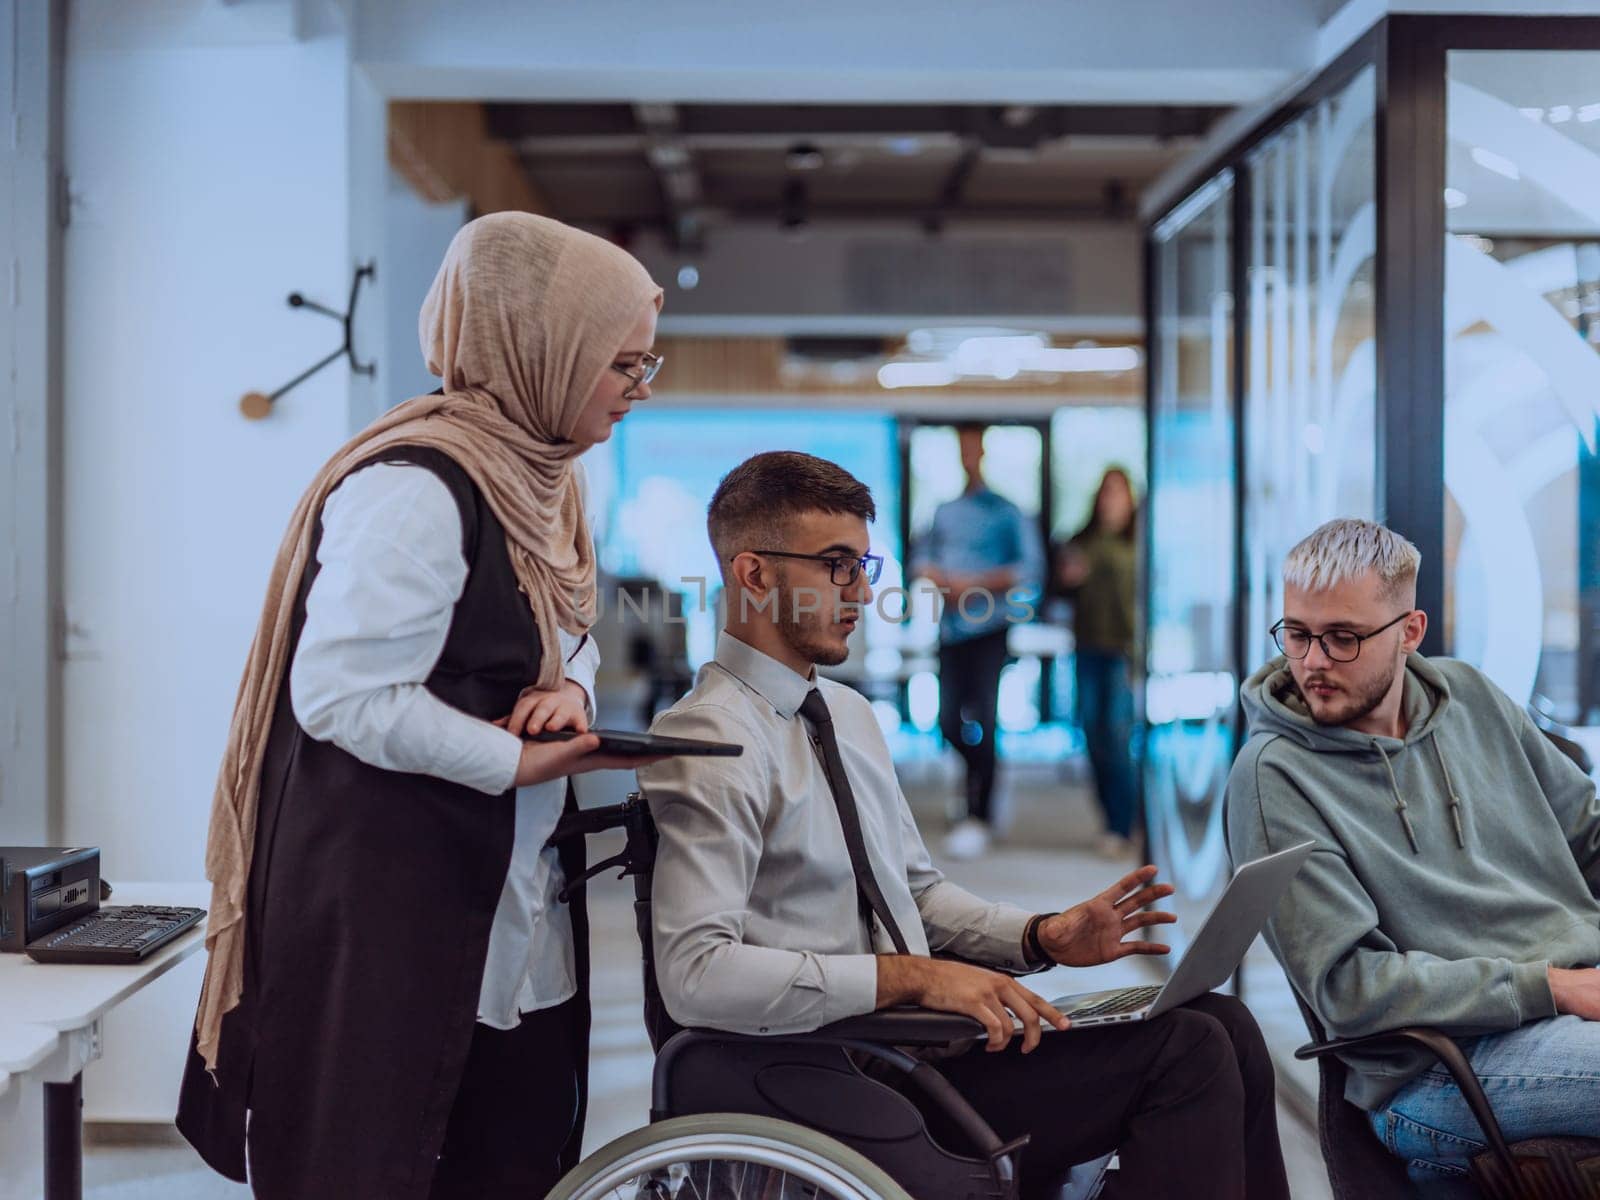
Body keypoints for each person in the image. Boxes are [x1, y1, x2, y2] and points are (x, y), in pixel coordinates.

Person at [639, 451, 1290, 1200]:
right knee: (1190, 1053)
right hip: (837, 1076)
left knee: (1225, 1024)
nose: (861, 591)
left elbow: (914, 892)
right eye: (836, 565)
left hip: (922, 1055)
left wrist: (1042, 936)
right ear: (753, 575)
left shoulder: (846, 714)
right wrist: (909, 978)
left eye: (863, 564)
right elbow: (695, 976)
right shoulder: (707, 742)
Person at [176, 213, 667, 1200]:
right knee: (379, 1161)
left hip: (504, 906)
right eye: (620, 365)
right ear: (541, 350)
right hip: (395, 911)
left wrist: (565, 688)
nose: (634, 392)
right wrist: (514, 761)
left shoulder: (539, 483)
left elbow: (555, 632)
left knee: (508, 1155)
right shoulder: (416, 489)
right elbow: (341, 694)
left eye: (643, 366)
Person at [1225, 518, 1600, 1192]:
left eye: (1343, 637)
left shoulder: (1473, 699)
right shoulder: (1273, 776)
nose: (1312, 661)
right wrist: (1552, 985)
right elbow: (1350, 988)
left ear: (1410, 631)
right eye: (1298, 633)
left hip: (1571, 1007)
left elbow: (1590, 838)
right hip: (1437, 1068)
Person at [913, 423, 1044, 859]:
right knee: (946, 721)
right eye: (962, 449)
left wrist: (976, 583)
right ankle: (979, 779)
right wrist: (939, 579)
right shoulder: (944, 511)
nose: (968, 456)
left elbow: (1029, 569)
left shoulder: (1007, 512)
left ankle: (979, 812)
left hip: (990, 630)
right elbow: (921, 561)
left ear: (983, 452)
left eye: (974, 448)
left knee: (986, 720)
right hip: (950, 630)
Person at [1055, 467, 1141, 859]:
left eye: (1118, 493)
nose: (1111, 500)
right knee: (1093, 736)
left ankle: (1123, 824)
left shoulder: (1140, 542)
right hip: (1088, 649)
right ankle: (1110, 818)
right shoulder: (1080, 540)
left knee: (1118, 737)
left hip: (1124, 652)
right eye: (1106, 492)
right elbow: (1057, 591)